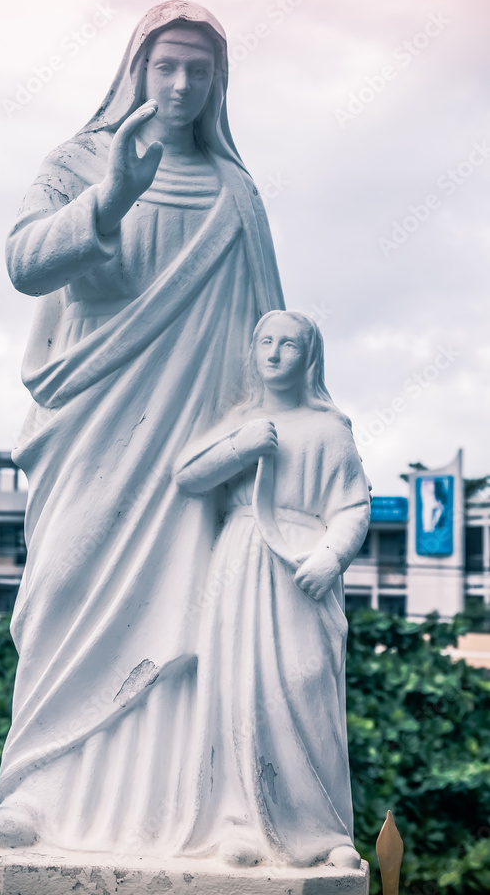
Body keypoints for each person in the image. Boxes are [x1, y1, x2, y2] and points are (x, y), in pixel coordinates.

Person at [0, 1, 285, 853]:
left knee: (191, 608)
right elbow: (23, 264)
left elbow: (265, 326)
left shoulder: (234, 193)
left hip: (198, 436)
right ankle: (37, 791)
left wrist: (287, 437)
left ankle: (177, 805)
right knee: (65, 588)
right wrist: (112, 196)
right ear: (135, 70)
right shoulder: (77, 160)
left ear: (218, 83)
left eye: (199, 70)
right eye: (166, 66)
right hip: (94, 421)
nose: (181, 84)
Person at [174, 310, 371, 869]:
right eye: (266, 341)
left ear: (309, 358)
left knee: (306, 686)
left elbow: (353, 506)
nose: (275, 353)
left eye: (289, 344)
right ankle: (239, 823)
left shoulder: (330, 430)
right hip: (240, 562)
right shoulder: (241, 420)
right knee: (238, 687)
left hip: (301, 567)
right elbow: (187, 476)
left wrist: (331, 557)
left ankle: (325, 830)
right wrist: (241, 447)